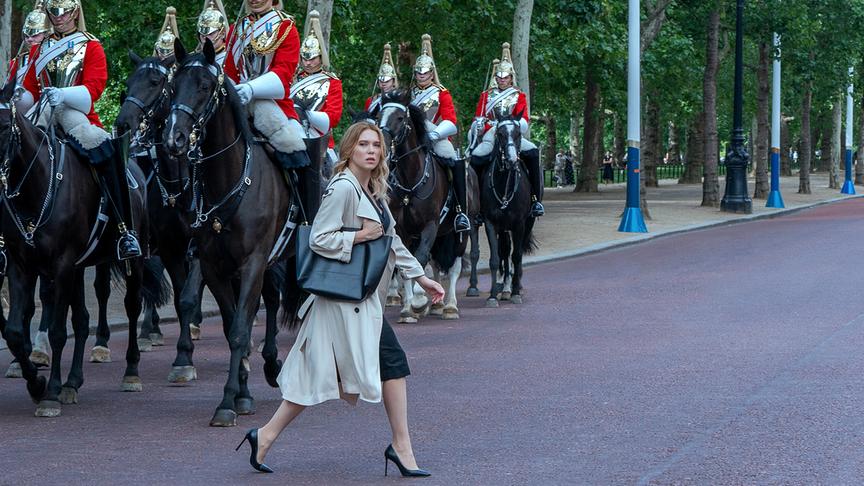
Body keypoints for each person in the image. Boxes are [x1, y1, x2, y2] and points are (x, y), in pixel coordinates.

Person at [236, 121, 445, 476]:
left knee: (317, 374)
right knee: (390, 363)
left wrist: (421, 277)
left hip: (359, 301)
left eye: (376, 145)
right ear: (349, 149)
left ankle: (265, 436)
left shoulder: (373, 189)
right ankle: (401, 447)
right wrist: (359, 236)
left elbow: (390, 240)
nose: (371, 151)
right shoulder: (343, 187)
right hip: (343, 302)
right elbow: (319, 239)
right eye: (363, 144)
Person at [21, 0, 141, 259]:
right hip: (43, 109)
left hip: (74, 112)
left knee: (104, 147)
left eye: (63, 12)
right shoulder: (39, 48)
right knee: (12, 144)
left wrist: (63, 93)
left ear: (75, 12)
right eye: (53, 12)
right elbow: (30, 90)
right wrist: (17, 96)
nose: (58, 17)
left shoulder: (91, 45)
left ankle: (124, 230)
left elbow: (94, 88)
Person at [223, 0, 309, 175]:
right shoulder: (236, 28)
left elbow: (284, 73)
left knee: (296, 146)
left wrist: (251, 89)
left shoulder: (285, 27)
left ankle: (309, 192)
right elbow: (229, 71)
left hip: (275, 104)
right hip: (238, 99)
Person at [469, 42, 544, 217]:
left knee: (533, 153)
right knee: (476, 158)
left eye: (505, 77)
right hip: (492, 132)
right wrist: (479, 125)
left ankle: (535, 199)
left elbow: (524, 119)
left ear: (511, 77)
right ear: (496, 78)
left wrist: (512, 126)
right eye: (499, 77)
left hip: (512, 133)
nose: (502, 80)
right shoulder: (486, 96)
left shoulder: (519, 95)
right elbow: (479, 117)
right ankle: (477, 203)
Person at [410, 34, 471, 234]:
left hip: (436, 137)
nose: (421, 76)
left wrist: (434, 135)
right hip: (412, 138)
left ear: (431, 73)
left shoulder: (441, 93)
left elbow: (451, 121)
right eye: (418, 72)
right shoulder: (409, 93)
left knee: (452, 160)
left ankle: (460, 211)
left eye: (425, 72)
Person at [290, 9, 343, 168]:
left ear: (320, 57)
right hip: (290, 134)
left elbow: (333, 116)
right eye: (304, 58)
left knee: (332, 171)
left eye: (312, 58)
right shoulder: (293, 78)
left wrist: (306, 114)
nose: (307, 63)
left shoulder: (332, 82)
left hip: (319, 139)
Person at [364, 42, 398, 119]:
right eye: (381, 81)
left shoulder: (398, 100)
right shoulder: (370, 100)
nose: (383, 84)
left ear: (393, 81)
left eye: (387, 81)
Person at [196, 0, 230, 67]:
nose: (205, 37)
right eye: (202, 33)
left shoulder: (231, 59)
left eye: (210, 33)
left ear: (222, 34)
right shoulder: (195, 60)